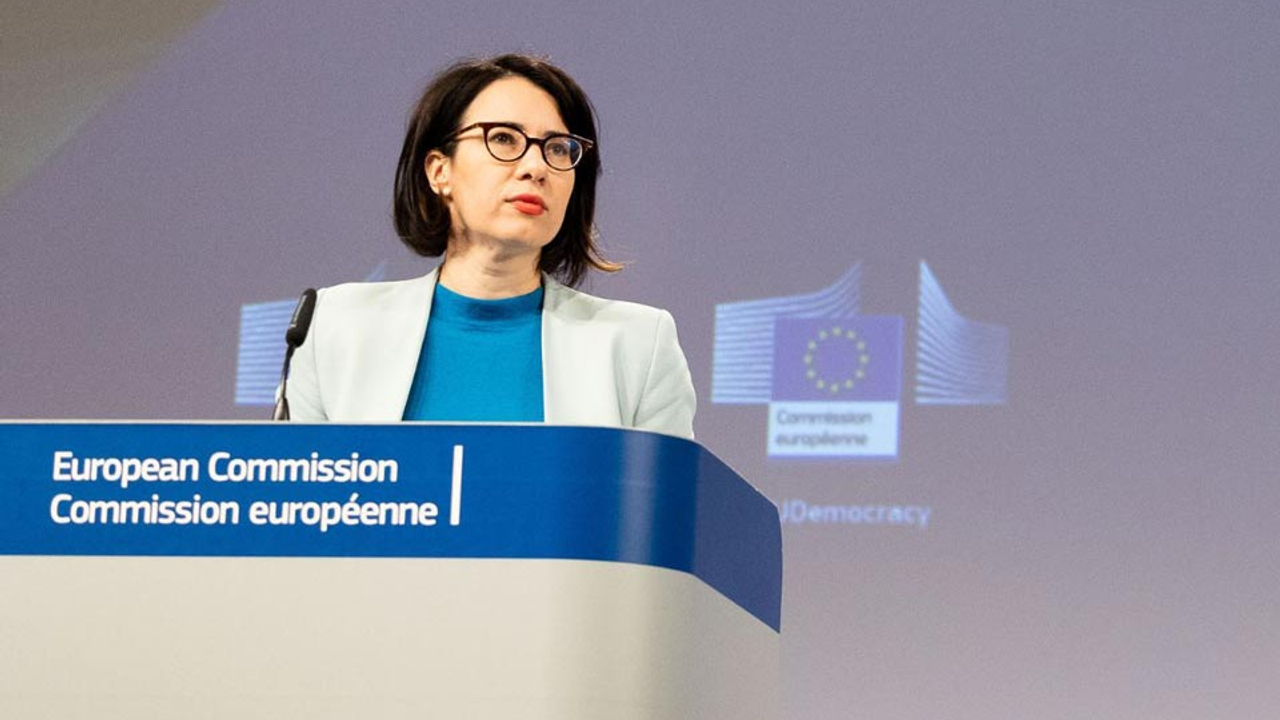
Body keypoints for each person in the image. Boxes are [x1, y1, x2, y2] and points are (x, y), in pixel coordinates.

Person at [284, 54, 695, 439]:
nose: (536, 168)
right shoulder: (332, 329)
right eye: (503, 138)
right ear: (439, 171)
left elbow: (667, 492)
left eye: (557, 148)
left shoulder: (639, 345)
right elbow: (297, 488)